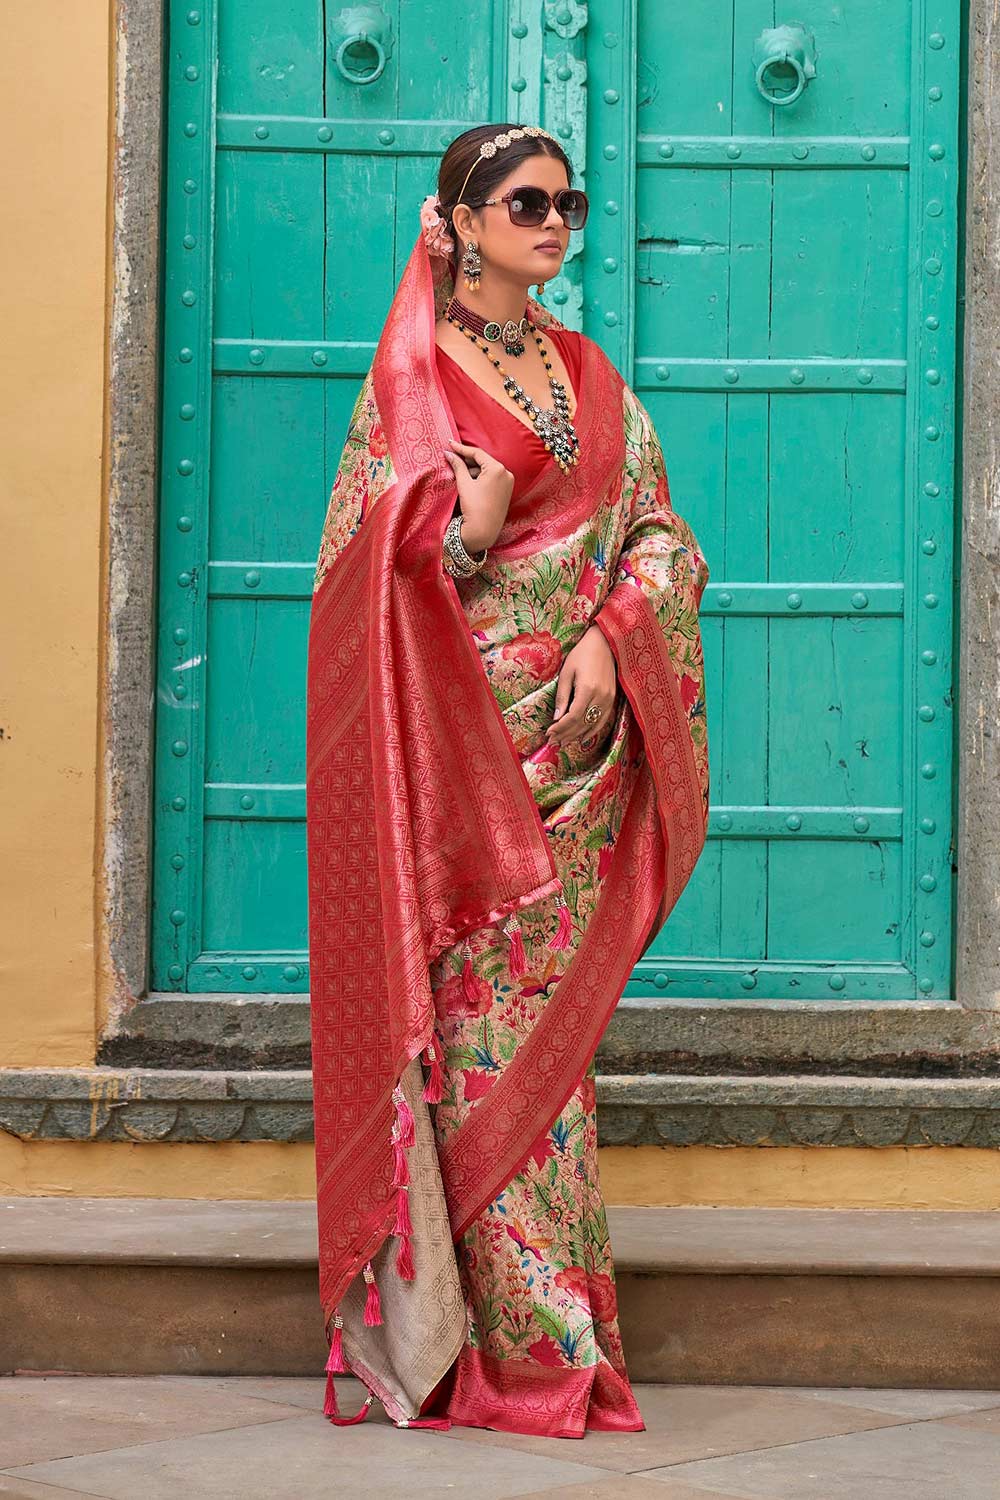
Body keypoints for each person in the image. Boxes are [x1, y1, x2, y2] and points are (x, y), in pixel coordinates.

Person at [305, 121, 711, 1439]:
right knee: (482, 1063)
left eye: (567, 202)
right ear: (460, 226)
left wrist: (612, 634)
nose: (553, 221)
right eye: (523, 202)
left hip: (581, 770)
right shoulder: (411, 385)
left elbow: (659, 534)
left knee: (552, 1067)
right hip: (463, 775)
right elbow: (359, 575)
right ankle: (511, 1352)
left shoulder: (588, 374)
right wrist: (466, 534)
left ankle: (555, 1332)